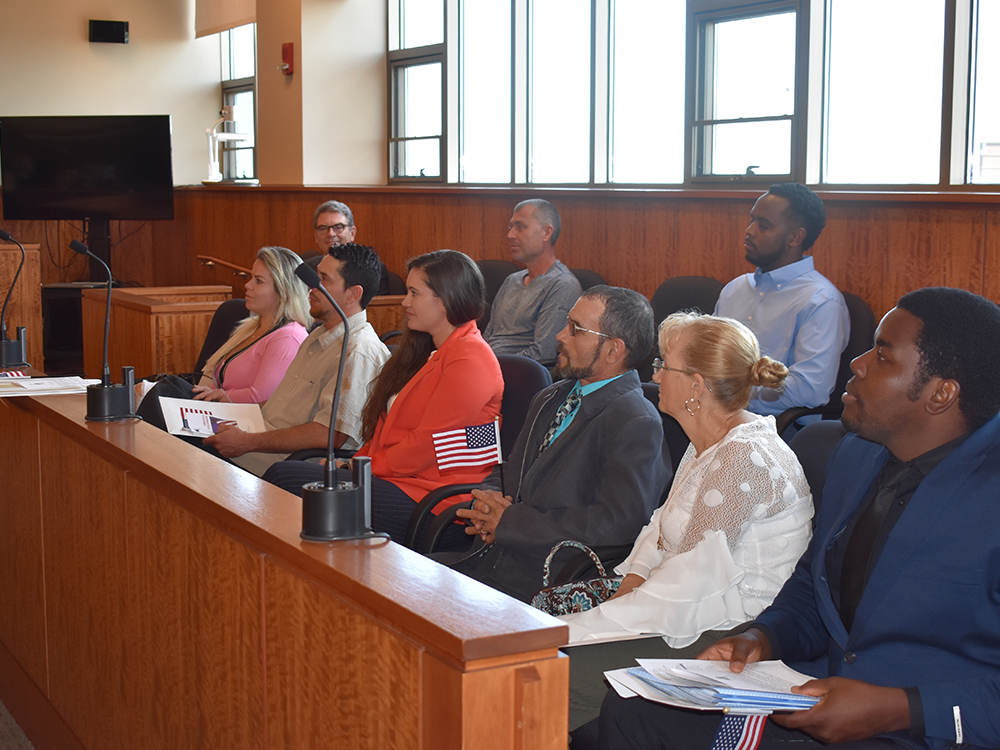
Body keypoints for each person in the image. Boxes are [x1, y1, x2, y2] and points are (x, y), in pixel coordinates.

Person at [599, 287, 1000, 750]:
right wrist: (764, 636)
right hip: (813, 695)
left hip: (925, 730)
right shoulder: (858, 453)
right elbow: (813, 583)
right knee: (635, 710)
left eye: (884, 356)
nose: (858, 363)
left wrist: (900, 708)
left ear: (940, 394)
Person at [559, 312, 813, 735]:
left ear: (696, 385)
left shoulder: (742, 458)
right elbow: (661, 530)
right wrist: (628, 585)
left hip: (730, 631)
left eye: (663, 364)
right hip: (690, 608)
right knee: (540, 659)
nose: (654, 373)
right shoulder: (710, 444)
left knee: (549, 672)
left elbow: (686, 581)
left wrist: (579, 628)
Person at [434, 285, 670, 602]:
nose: (560, 335)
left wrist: (510, 522)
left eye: (576, 330)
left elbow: (618, 523)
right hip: (490, 560)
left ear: (614, 350)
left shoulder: (634, 420)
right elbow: (511, 470)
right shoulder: (551, 396)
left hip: (545, 578)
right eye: (566, 323)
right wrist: (486, 502)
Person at [263, 250, 504, 550]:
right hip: (397, 482)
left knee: (285, 479)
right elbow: (386, 432)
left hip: (433, 501)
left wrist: (358, 467)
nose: (405, 301)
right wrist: (351, 463)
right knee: (286, 477)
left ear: (446, 299)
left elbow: (426, 446)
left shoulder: (471, 359)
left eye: (414, 293)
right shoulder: (430, 352)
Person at [205, 243, 391, 476]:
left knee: (184, 450)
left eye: (324, 279)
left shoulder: (359, 350)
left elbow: (330, 434)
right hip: (262, 436)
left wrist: (247, 442)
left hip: (286, 461)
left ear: (354, 294)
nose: (312, 287)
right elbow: (281, 407)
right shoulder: (319, 334)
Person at [715, 183, 849, 418]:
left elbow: (810, 389)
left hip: (776, 432)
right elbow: (710, 356)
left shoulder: (820, 301)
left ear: (795, 237)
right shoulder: (734, 289)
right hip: (716, 418)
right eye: (752, 220)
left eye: (763, 226)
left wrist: (731, 395)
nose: (750, 231)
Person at [135, 246, 311, 425]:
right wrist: (210, 393)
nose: (247, 285)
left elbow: (263, 397)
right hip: (220, 412)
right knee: (163, 388)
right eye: (251, 278)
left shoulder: (288, 337)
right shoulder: (251, 328)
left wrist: (221, 396)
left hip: (240, 424)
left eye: (258, 281)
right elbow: (219, 381)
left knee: (162, 393)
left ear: (284, 291)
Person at [483, 198, 582, 362]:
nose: (510, 235)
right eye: (511, 227)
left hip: (518, 374)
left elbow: (543, 353)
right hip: (488, 366)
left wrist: (488, 365)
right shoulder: (511, 280)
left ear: (546, 233)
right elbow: (487, 339)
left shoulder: (562, 284)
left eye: (520, 227)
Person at [312, 200, 390, 294]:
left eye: (338, 227)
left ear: (352, 233)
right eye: (323, 228)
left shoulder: (371, 270)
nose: (331, 234)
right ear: (316, 236)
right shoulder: (307, 267)